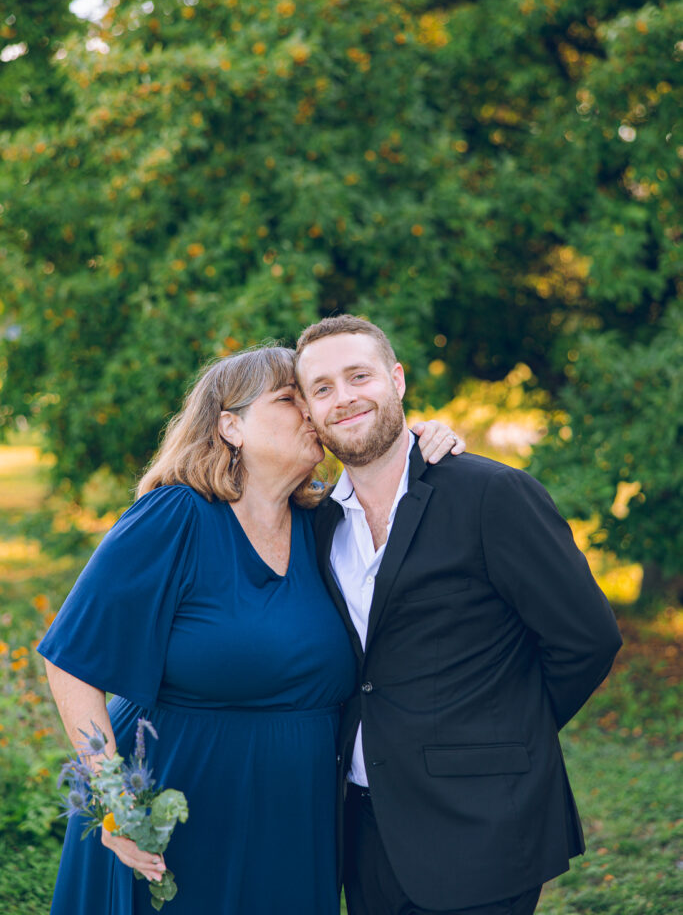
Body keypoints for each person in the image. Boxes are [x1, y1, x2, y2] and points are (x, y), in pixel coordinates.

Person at [38, 345, 463, 915]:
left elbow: (401, 501)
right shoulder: (176, 517)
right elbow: (70, 659)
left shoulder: (327, 525)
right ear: (230, 425)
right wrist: (116, 802)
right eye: (291, 399)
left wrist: (425, 445)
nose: (312, 413)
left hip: (297, 820)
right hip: (178, 810)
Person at [294, 315, 623, 915]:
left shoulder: (490, 495)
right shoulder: (315, 523)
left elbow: (588, 639)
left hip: (484, 822)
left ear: (396, 380)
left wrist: (505, 731)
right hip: (363, 831)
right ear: (309, 413)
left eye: (358, 375)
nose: (342, 398)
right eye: (321, 388)